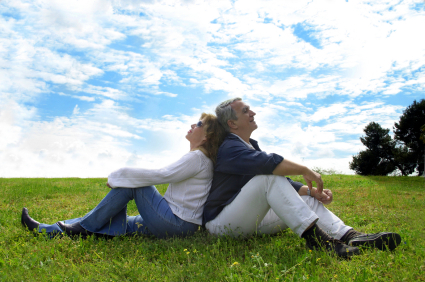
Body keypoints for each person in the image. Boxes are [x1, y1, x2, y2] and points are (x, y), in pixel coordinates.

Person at [203, 98, 401, 258]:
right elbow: (267, 164)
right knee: (269, 178)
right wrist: (305, 169)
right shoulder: (230, 147)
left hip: (249, 221)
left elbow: (283, 184)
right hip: (222, 225)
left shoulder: (249, 145)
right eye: (246, 111)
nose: (253, 113)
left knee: (305, 199)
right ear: (232, 123)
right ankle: (317, 240)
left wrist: (312, 192)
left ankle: (350, 236)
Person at [21, 113, 226, 239]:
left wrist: (119, 176)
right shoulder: (198, 158)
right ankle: (50, 230)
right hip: (175, 222)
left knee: (138, 185)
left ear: (207, 136)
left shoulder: (198, 158)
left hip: (177, 225)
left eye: (198, 125)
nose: (192, 125)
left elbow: (161, 175)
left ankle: (81, 228)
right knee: (113, 221)